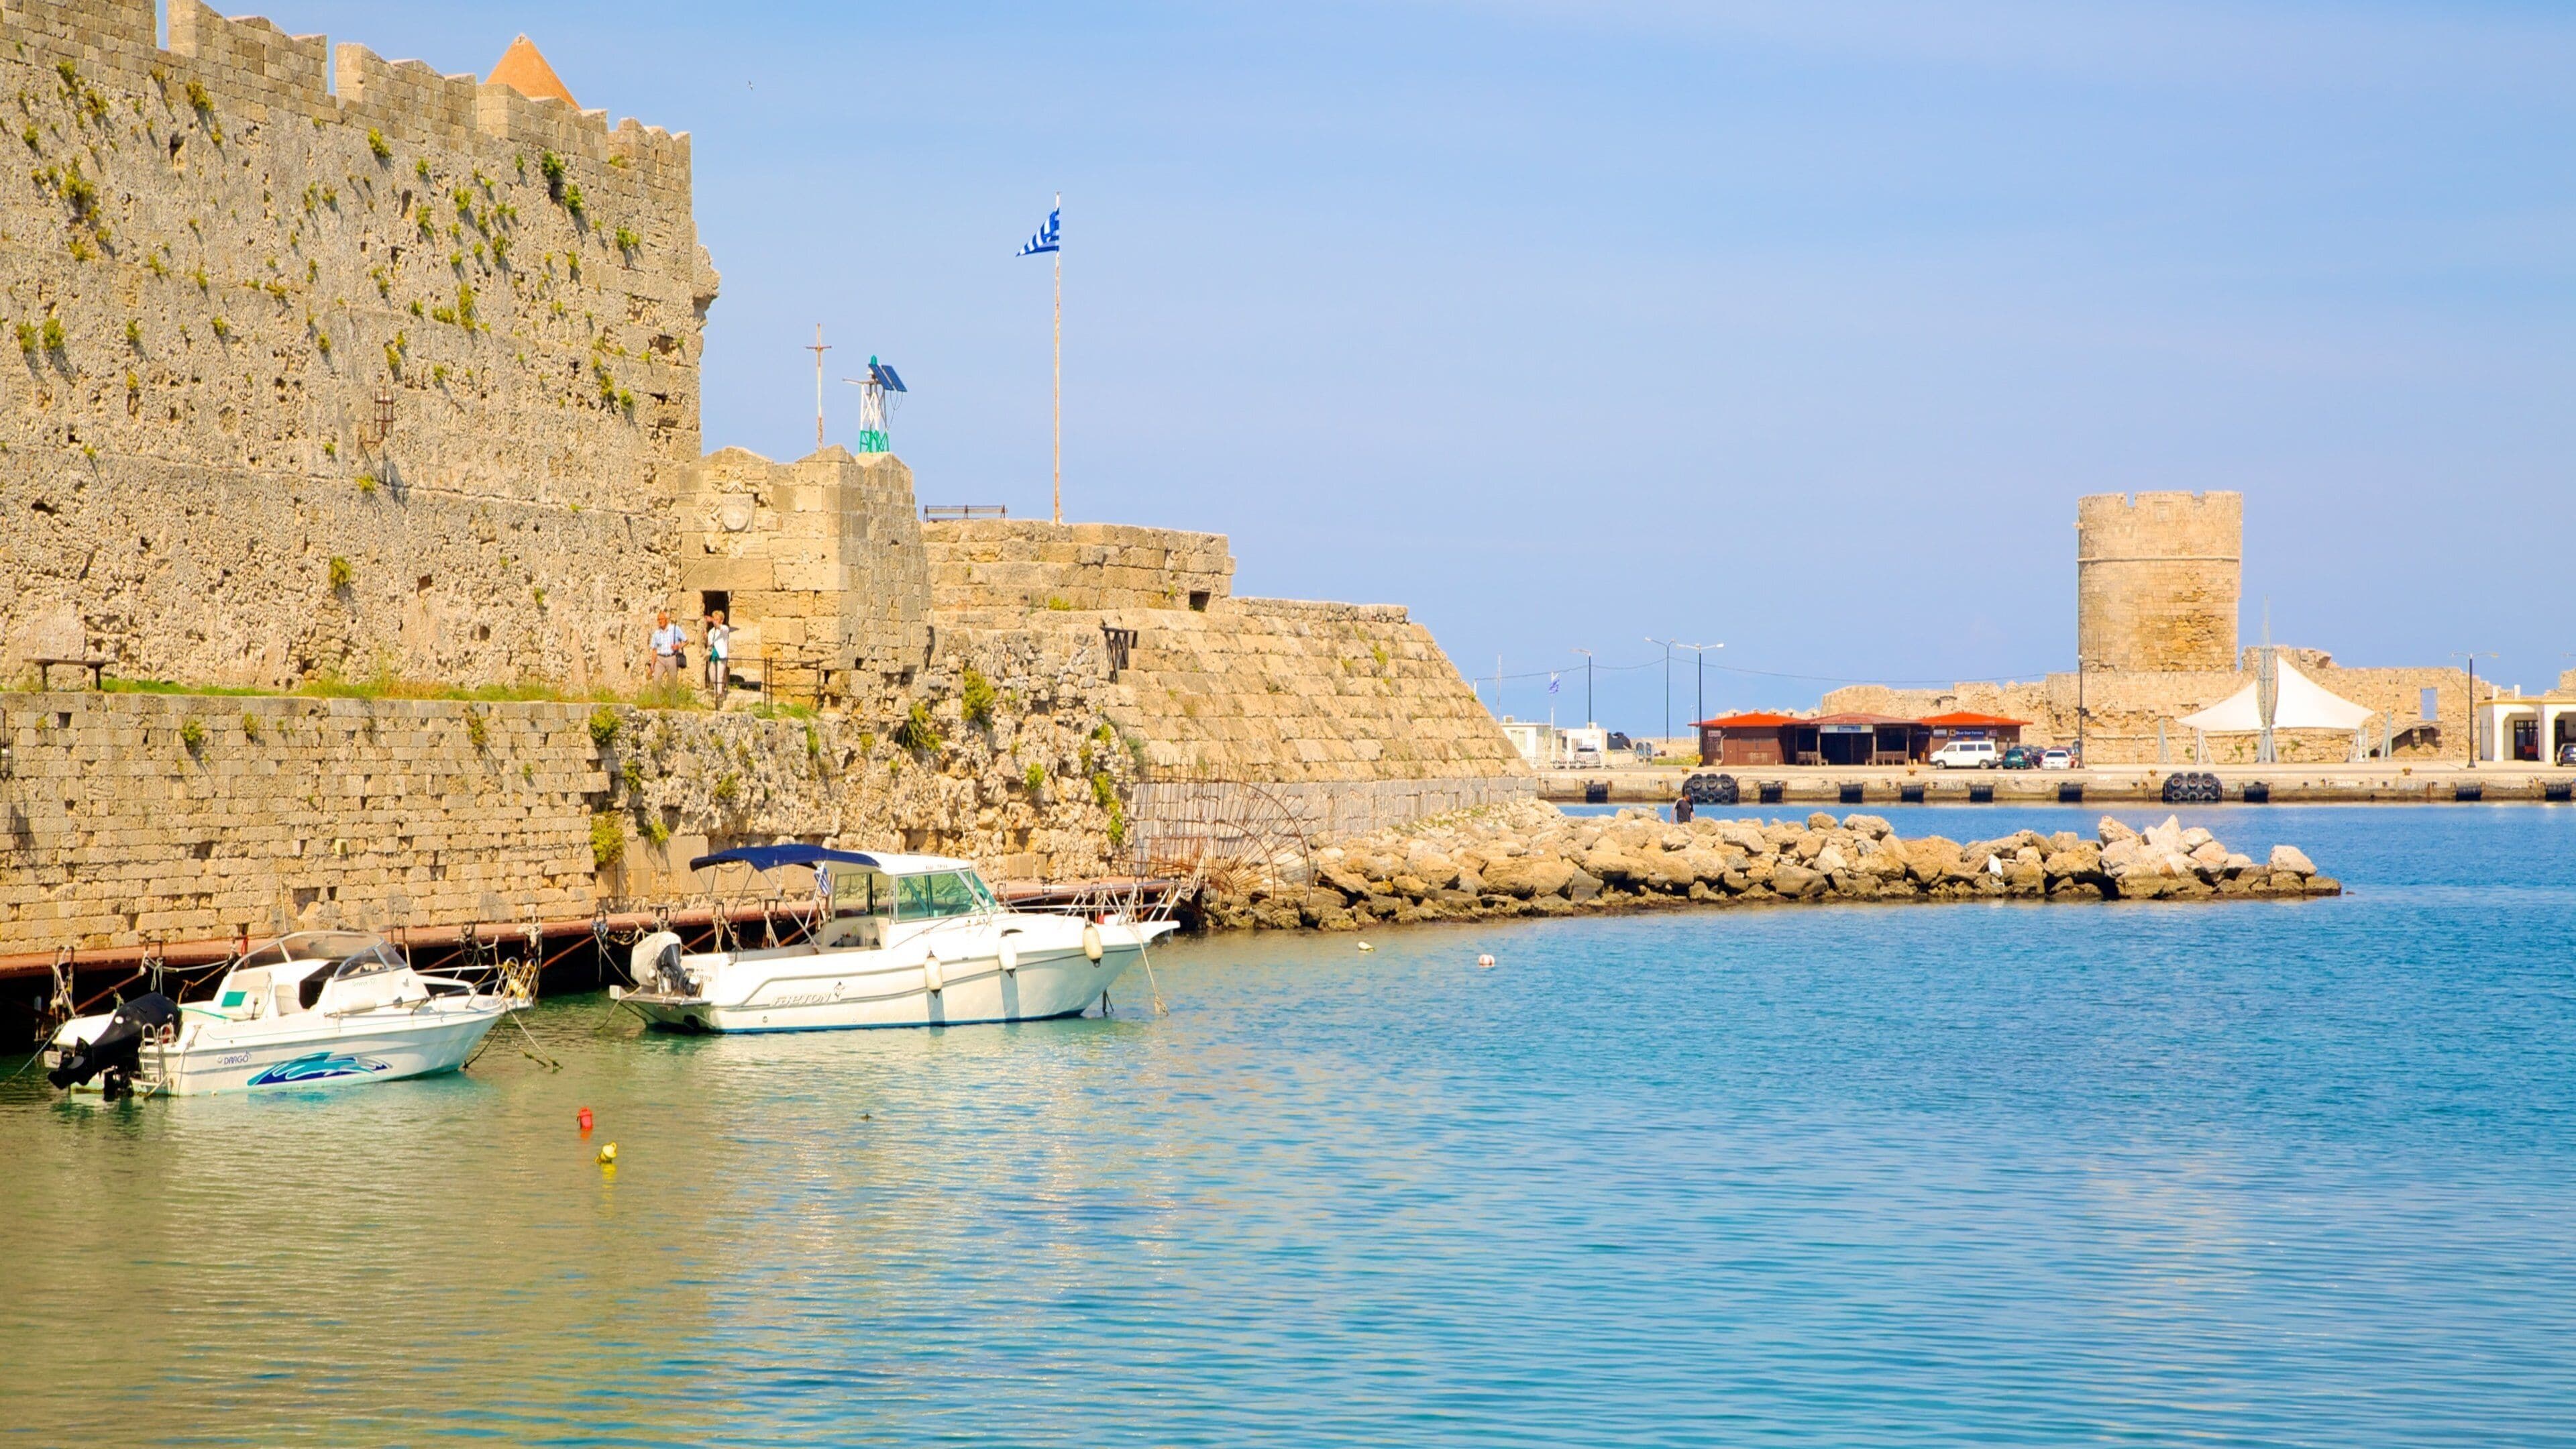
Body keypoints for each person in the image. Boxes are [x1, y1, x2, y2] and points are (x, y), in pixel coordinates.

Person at [704, 608, 732, 701]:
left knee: (719, 675)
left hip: (721, 655)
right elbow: (710, 644)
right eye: (714, 618)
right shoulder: (712, 631)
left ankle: (718, 695)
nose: (715, 620)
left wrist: (712, 620)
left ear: (721, 620)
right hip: (713, 655)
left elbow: (719, 627)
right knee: (712, 675)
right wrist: (706, 638)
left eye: (717, 619)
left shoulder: (725, 629)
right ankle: (718, 691)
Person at [648, 610, 682, 687]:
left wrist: (678, 646)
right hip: (660, 659)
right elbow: (654, 650)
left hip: (672, 657)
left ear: (666, 619)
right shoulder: (656, 633)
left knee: (672, 682)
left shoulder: (675, 629)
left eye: (662, 619)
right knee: (656, 680)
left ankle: (672, 699)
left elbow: (686, 641)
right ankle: (657, 699)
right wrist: (652, 665)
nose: (660, 621)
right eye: (659, 620)